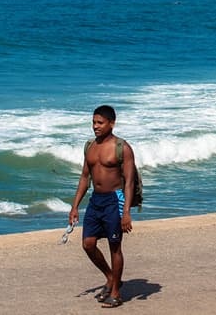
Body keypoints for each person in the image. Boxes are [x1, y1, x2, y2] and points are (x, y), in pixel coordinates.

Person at [68, 105, 136, 308]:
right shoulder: (90, 146)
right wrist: (74, 207)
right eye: (93, 122)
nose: (95, 126)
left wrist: (126, 213)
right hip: (95, 200)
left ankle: (115, 293)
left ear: (111, 123)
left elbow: (130, 182)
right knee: (88, 244)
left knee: (115, 247)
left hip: (114, 201)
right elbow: (84, 177)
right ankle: (110, 277)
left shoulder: (122, 148)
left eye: (100, 123)